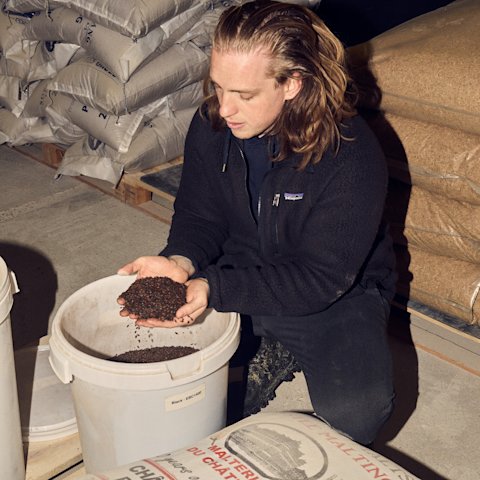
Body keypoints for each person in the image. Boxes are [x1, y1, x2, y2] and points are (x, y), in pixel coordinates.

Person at [118, 0, 396, 446]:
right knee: (183, 402)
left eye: (244, 95)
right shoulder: (212, 125)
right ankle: (268, 350)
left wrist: (215, 290)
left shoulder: (351, 156)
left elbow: (319, 277)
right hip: (242, 265)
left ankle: (280, 343)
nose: (224, 109)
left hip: (332, 290)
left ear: (292, 84)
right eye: (218, 87)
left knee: (357, 411)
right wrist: (181, 261)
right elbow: (198, 215)